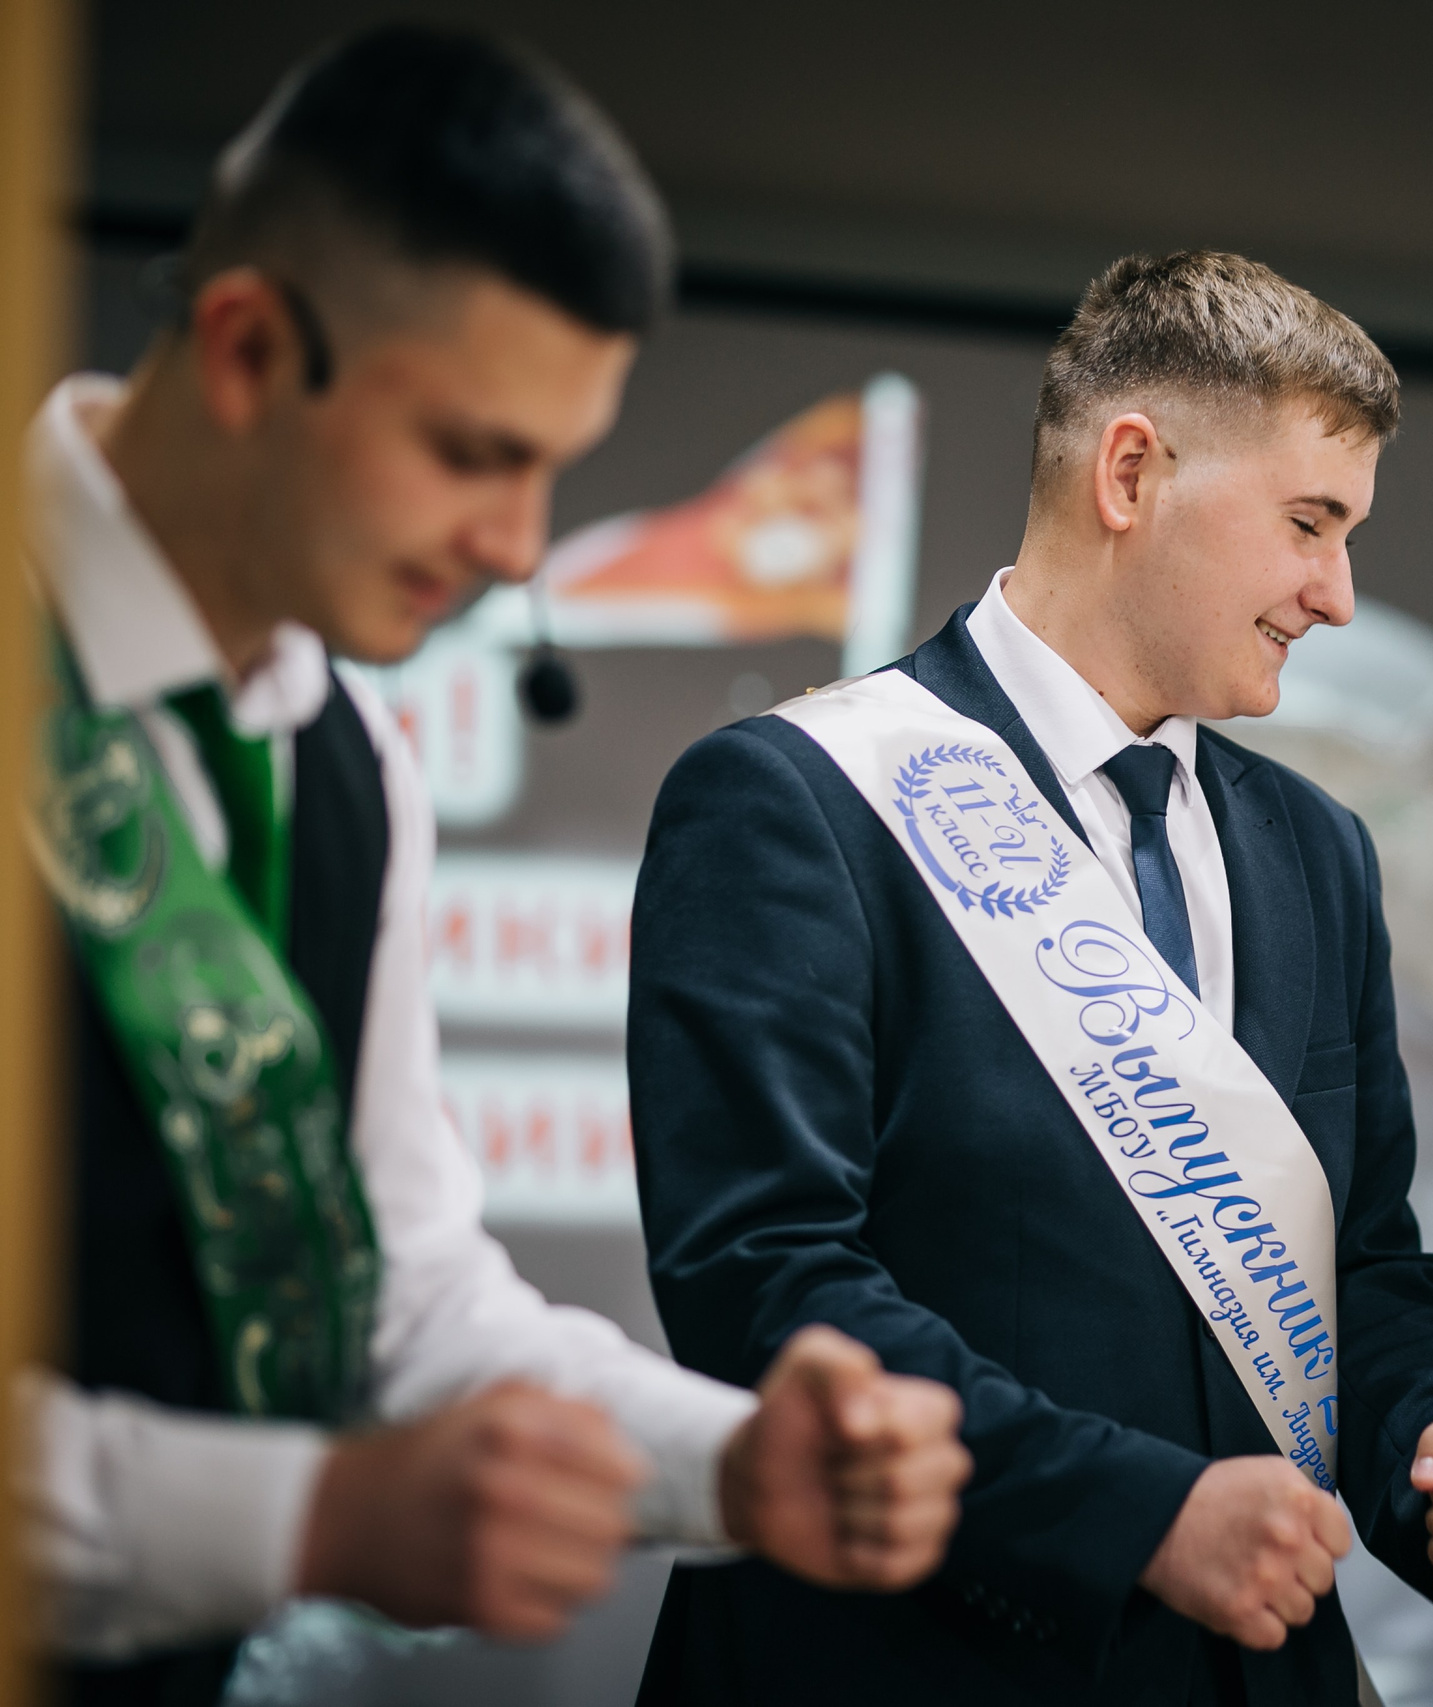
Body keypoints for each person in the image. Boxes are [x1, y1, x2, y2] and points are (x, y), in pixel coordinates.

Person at [21, 27, 969, 1705]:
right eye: (474, 452)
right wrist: (300, 1514)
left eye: (555, 465)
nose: (524, 547)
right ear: (245, 348)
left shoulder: (350, 768)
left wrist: (734, 1466)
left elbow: (398, 1302)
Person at [628, 249, 1433, 1705]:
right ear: (1131, 473)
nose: (1340, 595)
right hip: (907, 1663)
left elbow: (1363, 1257)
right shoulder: (796, 797)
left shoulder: (1316, 849)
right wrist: (1139, 1515)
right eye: (1310, 524)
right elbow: (764, 1280)